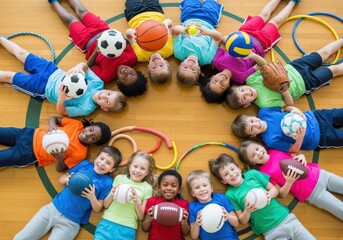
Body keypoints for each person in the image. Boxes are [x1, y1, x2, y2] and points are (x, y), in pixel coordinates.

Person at [199, 0, 300, 103]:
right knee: (275, 21)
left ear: (212, 77)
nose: (221, 79)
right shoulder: (240, 78)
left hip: (245, 33)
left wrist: (232, 45)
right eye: (222, 85)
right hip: (261, 42)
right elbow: (262, 65)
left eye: (215, 80)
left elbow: (222, 40)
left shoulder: (217, 62)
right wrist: (251, 55)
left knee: (264, 14)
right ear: (228, 87)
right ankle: (293, 2)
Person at [0, 35, 127, 117]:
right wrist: (79, 68)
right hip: (51, 71)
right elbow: (85, 66)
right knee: (22, 53)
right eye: (108, 94)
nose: (104, 96)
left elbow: (62, 112)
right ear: (109, 90)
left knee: (9, 77)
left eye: (107, 101)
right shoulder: (98, 83)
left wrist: (62, 97)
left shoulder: (86, 108)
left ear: (104, 108)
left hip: (42, 88)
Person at [14, 146, 122, 240]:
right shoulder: (84, 165)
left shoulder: (107, 182)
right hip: (52, 209)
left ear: (112, 169)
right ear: (96, 158)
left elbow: (98, 208)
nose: (102, 163)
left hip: (71, 223)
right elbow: (61, 179)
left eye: (108, 163)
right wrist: (66, 180)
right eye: (101, 158)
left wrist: (92, 196)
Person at [48, 0, 148, 97]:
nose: (125, 72)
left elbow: (89, 66)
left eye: (125, 78)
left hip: (86, 40)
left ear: (119, 82)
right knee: (83, 11)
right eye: (131, 73)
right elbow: (125, 41)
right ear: (135, 70)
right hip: (102, 29)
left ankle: (54, 2)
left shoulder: (106, 76)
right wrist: (117, 37)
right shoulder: (132, 58)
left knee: (71, 20)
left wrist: (96, 51)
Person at [209, 153, 316, 239]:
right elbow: (242, 220)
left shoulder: (253, 174)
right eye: (226, 174)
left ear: (238, 167)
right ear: (223, 181)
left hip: (286, 219)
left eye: (232, 169)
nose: (231, 174)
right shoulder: (230, 194)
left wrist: (269, 195)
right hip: (270, 231)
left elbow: (275, 189)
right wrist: (248, 210)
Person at [238, 139, 343, 221]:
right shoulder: (263, 173)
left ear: (260, 145)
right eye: (253, 155)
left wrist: (301, 156)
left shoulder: (275, 150)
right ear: (252, 163)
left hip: (320, 174)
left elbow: (295, 155)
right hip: (312, 193)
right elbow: (281, 193)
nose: (258, 153)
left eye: (257, 149)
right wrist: (289, 181)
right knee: (340, 209)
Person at [226, 38, 343, 109]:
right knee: (334, 70)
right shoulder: (264, 103)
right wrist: (282, 88)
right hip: (305, 83)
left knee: (324, 53)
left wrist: (253, 56)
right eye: (244, 97)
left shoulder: (250, 80)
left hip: (295, 66)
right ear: (247, 105)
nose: (246, 92)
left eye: (242, 90)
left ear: (242, 86)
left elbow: (264, 66)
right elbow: (289, 103)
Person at [0, 116, 111, 172]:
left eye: (93, 137)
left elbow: (60, 169)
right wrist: (52, 126)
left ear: (94, 144)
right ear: (88, 126)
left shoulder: (80, 154)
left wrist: (59, 158)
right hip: (27, 134)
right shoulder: (76, 125)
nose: (87, 134)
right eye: (90, 129)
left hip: (29, 153)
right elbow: (54, 118)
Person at [94, 150, 157, 240]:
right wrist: (112, 193)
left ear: (147, 172)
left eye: (142, 168)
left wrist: (136, 201)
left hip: (127, 228)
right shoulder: (119, 179)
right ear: (130, 167)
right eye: (135, 166)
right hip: (107, 223)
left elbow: (141, 217)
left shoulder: (147, 188)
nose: (137, 170)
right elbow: (105, 205)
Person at [231, 105, 343, 153]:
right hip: (318, 137)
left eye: (252, 121)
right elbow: (292, 150)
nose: (255, 124)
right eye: (251, 129)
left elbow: (285, 108)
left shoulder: (264, 112)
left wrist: (294, 109)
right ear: (252, 135)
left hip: (316, 117)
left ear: (253, 116)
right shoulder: (270, 140)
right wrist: (300, 138)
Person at [172, 0, 223, 87]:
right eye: (193, 70)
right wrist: (206, 32)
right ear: (199, 71)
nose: (190, 64)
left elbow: (175, 31)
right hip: (209, 19)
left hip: (189, 17)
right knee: (211, 2)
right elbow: (218, 38)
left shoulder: (179, 53)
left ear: (180, 65)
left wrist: (183, 30)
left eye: (185, 67)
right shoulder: (207, 58)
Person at [124, 0, 173, 84]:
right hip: (155, 11)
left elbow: (128, 35)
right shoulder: (169, 49)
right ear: (167, 63)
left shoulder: (140, 56)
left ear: (148, 67)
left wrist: (131, 32)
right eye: (161, 65)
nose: (156, 62)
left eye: (154, 68)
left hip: (134, 15)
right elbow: (170, 23)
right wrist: (165, 23)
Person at [186, 170, 239, 240]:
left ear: (211, 188)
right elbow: (194, 236)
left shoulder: (221, 198)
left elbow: (236, 224)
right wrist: (196, 224)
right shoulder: (192, 207)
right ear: (192, 193)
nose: (202, 189)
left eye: (204, 185)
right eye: (197, 187)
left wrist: (228, 216)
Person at [142, 169, 190, 240]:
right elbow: (145, 229)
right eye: (165, 185)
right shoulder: (152, 202)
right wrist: (149, 219)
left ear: (179, 189)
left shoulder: (183, 204)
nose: (169, 188)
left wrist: (184, 222)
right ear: (159, 187)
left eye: (173, 186)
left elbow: (186, 233)